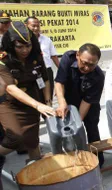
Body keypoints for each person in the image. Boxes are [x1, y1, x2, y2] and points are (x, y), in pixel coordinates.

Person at [0, 21, 55, 187]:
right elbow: (10, 88)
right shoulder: (3, 60)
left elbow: (44, 78)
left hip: (32, 102)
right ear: (11, 44)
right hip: (11, 105)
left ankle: (36, 173)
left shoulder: (35, 56)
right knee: (16, 138)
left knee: (32, 139)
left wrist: (46, 101)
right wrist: (38, 105)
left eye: (28, 46)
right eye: (19, 46)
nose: (25, 50)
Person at [54, 43, 105, 167]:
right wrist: (61, 102)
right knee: (67, 133)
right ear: (77, 55)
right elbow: (59, 82)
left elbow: (87, 102)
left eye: (91, 65)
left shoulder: (98, 77)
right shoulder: (68, 58)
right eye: (84, 63)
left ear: (97, 62)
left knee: (90, 131)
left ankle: (98, 161)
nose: (86, 68)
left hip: (89, 105)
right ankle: (74, 162)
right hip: (69, 102)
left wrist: (77, 123)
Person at [25, 16, 59, 98]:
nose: (36, 28)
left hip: (47, 71)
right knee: (35, 95)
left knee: (48, 95)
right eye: (33, 26)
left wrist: (62, 71)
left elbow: (53, 56)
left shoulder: (46, 40)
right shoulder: (24, 41)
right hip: (31, 71)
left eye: (38, 26)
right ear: (26, 25)